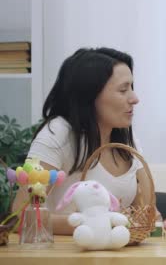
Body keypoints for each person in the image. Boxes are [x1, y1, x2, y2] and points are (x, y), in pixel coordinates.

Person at [12, 47, 152, 235]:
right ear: (90, 95)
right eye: (123, 90)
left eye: (132, 88)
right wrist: (96, 225)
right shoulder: (58, 134)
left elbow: (149, 213)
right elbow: (20, 217)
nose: (134, 99)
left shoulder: (126, 139)